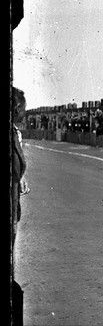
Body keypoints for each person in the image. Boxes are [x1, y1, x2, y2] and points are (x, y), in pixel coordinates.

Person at [12, 87, 30, 228]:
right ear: (17, 108)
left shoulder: (16, 133)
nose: (25, 112)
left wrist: (20, 176)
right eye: (24, 108)